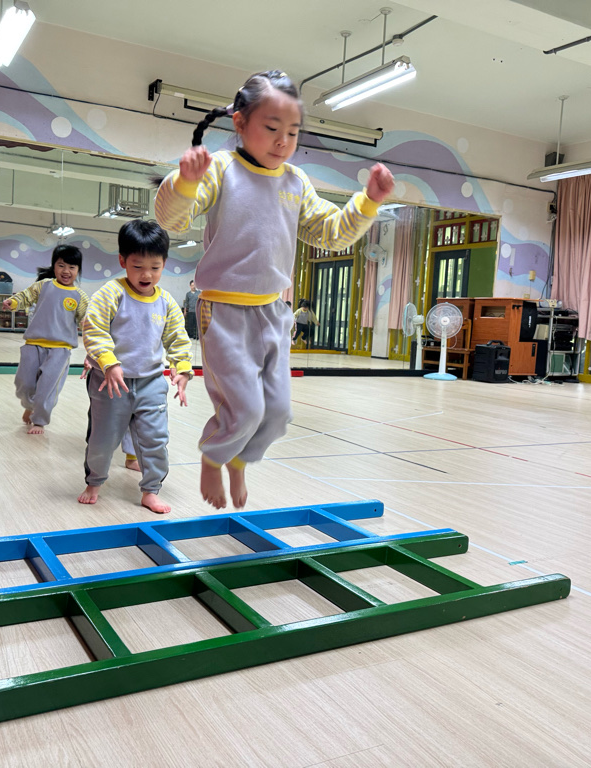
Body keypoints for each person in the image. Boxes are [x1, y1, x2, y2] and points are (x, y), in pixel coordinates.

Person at [155, 70, 393, 509]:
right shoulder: (222, 169)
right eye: (271, 128)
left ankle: (239, 461)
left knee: (278, 412)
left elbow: (331, 233)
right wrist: (185, 182)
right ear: (240, 122)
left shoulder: (296, 182)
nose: (283, 141)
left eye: (293, 132)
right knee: (245, 408)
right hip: (223, 311)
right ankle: (213, 456)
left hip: (273, 313)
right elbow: (172, 219)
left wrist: (368, 201)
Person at [78, 220, 192, 514]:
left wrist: (182, 368)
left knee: (155, 439)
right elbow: (94, 329)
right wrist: (108, 363)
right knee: (103, 440)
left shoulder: (166, 301)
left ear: (164, 263)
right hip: (110, 382)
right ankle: (94, 482)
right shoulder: (111, 293)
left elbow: (177, 338)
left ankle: (151, 490)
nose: (146, 274)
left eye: (155, 267)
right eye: (138, 266)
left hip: (151, 382)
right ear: (122, 261)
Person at [3, 245, 88, 435]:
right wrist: (13, 302)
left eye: (72, 267)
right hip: (33, 344)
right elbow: (26, 296)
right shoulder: (44, 285)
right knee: (24, 384)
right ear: (54, 266)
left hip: (60, 349)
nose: (66, 271)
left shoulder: (80, 296)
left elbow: (86, 318)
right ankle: (30, 405)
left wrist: (87, 325)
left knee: (47, 387)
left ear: (78, 270)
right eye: (61, 265)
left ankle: (39, 420)